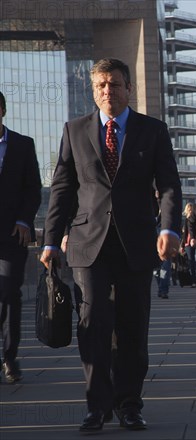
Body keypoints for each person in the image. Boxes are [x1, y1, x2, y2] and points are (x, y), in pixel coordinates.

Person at [40, 58, 182, 432]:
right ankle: (97, 406)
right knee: (93, 323)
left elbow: (168, 184)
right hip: (88, 245)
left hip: (136, 243)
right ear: (94, 90)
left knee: (133, 327)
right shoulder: (75, 130)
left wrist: (170, 229)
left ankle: (129, 404)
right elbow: (62, 189)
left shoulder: (152, 130)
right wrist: (51, 240)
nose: (108, 91)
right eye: (101, 85)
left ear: (128, 89)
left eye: (115, 85)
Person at [0, 91, 42, 384]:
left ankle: (9, 357)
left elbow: (33, 188)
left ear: (1, 110)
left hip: (12, 234)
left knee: (9, 295)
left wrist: (24, 220)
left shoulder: (22, 145)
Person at [181, 202, 196, 287]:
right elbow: (185, 233)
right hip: (189, 243)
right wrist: (182, 245)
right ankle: (194, 281)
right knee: (192, 261)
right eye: (189, 209)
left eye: (191, 209)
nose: (190, 211)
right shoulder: (187, 220)